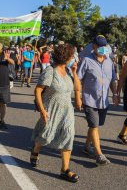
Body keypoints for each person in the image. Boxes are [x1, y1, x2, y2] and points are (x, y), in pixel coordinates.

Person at [31, 44, 82, 183]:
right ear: (66, 57)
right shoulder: (50, 71)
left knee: (68, 134)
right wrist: (42, 110)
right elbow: (38, 90)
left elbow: (77, 87)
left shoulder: (68, 71)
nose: (73, 58)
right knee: (45, 136)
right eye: (72, 56)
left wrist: (75, 72)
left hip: (67, 111)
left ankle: (65, 170)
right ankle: (36, 149)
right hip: (51, 110)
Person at [77, 35, 117, 166]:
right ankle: (99, 154)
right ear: (93, 46)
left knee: (95, 125)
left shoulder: (109, 62)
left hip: (103, 101)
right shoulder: (86, 60)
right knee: (94, 126)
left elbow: (112, 80)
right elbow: (78, 78)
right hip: (89, 100)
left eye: (104, 46)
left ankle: (86, 147)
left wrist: (115, 93)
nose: (102, 48)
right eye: (99, 46)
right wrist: (77, 96)